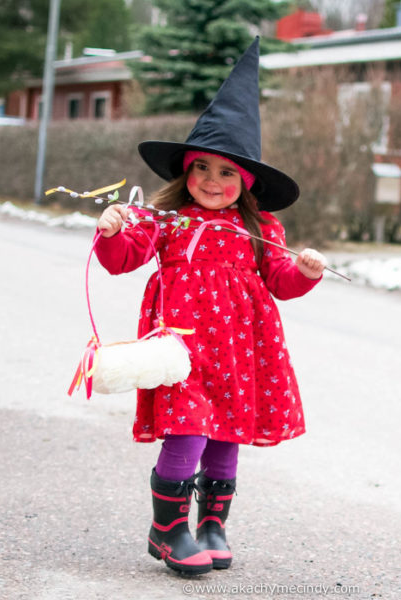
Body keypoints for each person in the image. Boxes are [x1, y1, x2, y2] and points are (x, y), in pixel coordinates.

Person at [93, 38, 327, 575]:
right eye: (202, 169)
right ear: (185, 172)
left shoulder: (260, 228)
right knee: (190, 427)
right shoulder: (165, 219)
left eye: (227, 174)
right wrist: (110, 234)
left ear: (245, 182)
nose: (212, 182)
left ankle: (211, 524)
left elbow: (281, 281)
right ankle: (168, 528)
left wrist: (307, 272)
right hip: (179, 348)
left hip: (240, 350)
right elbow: (123, 259)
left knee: (226, 434)